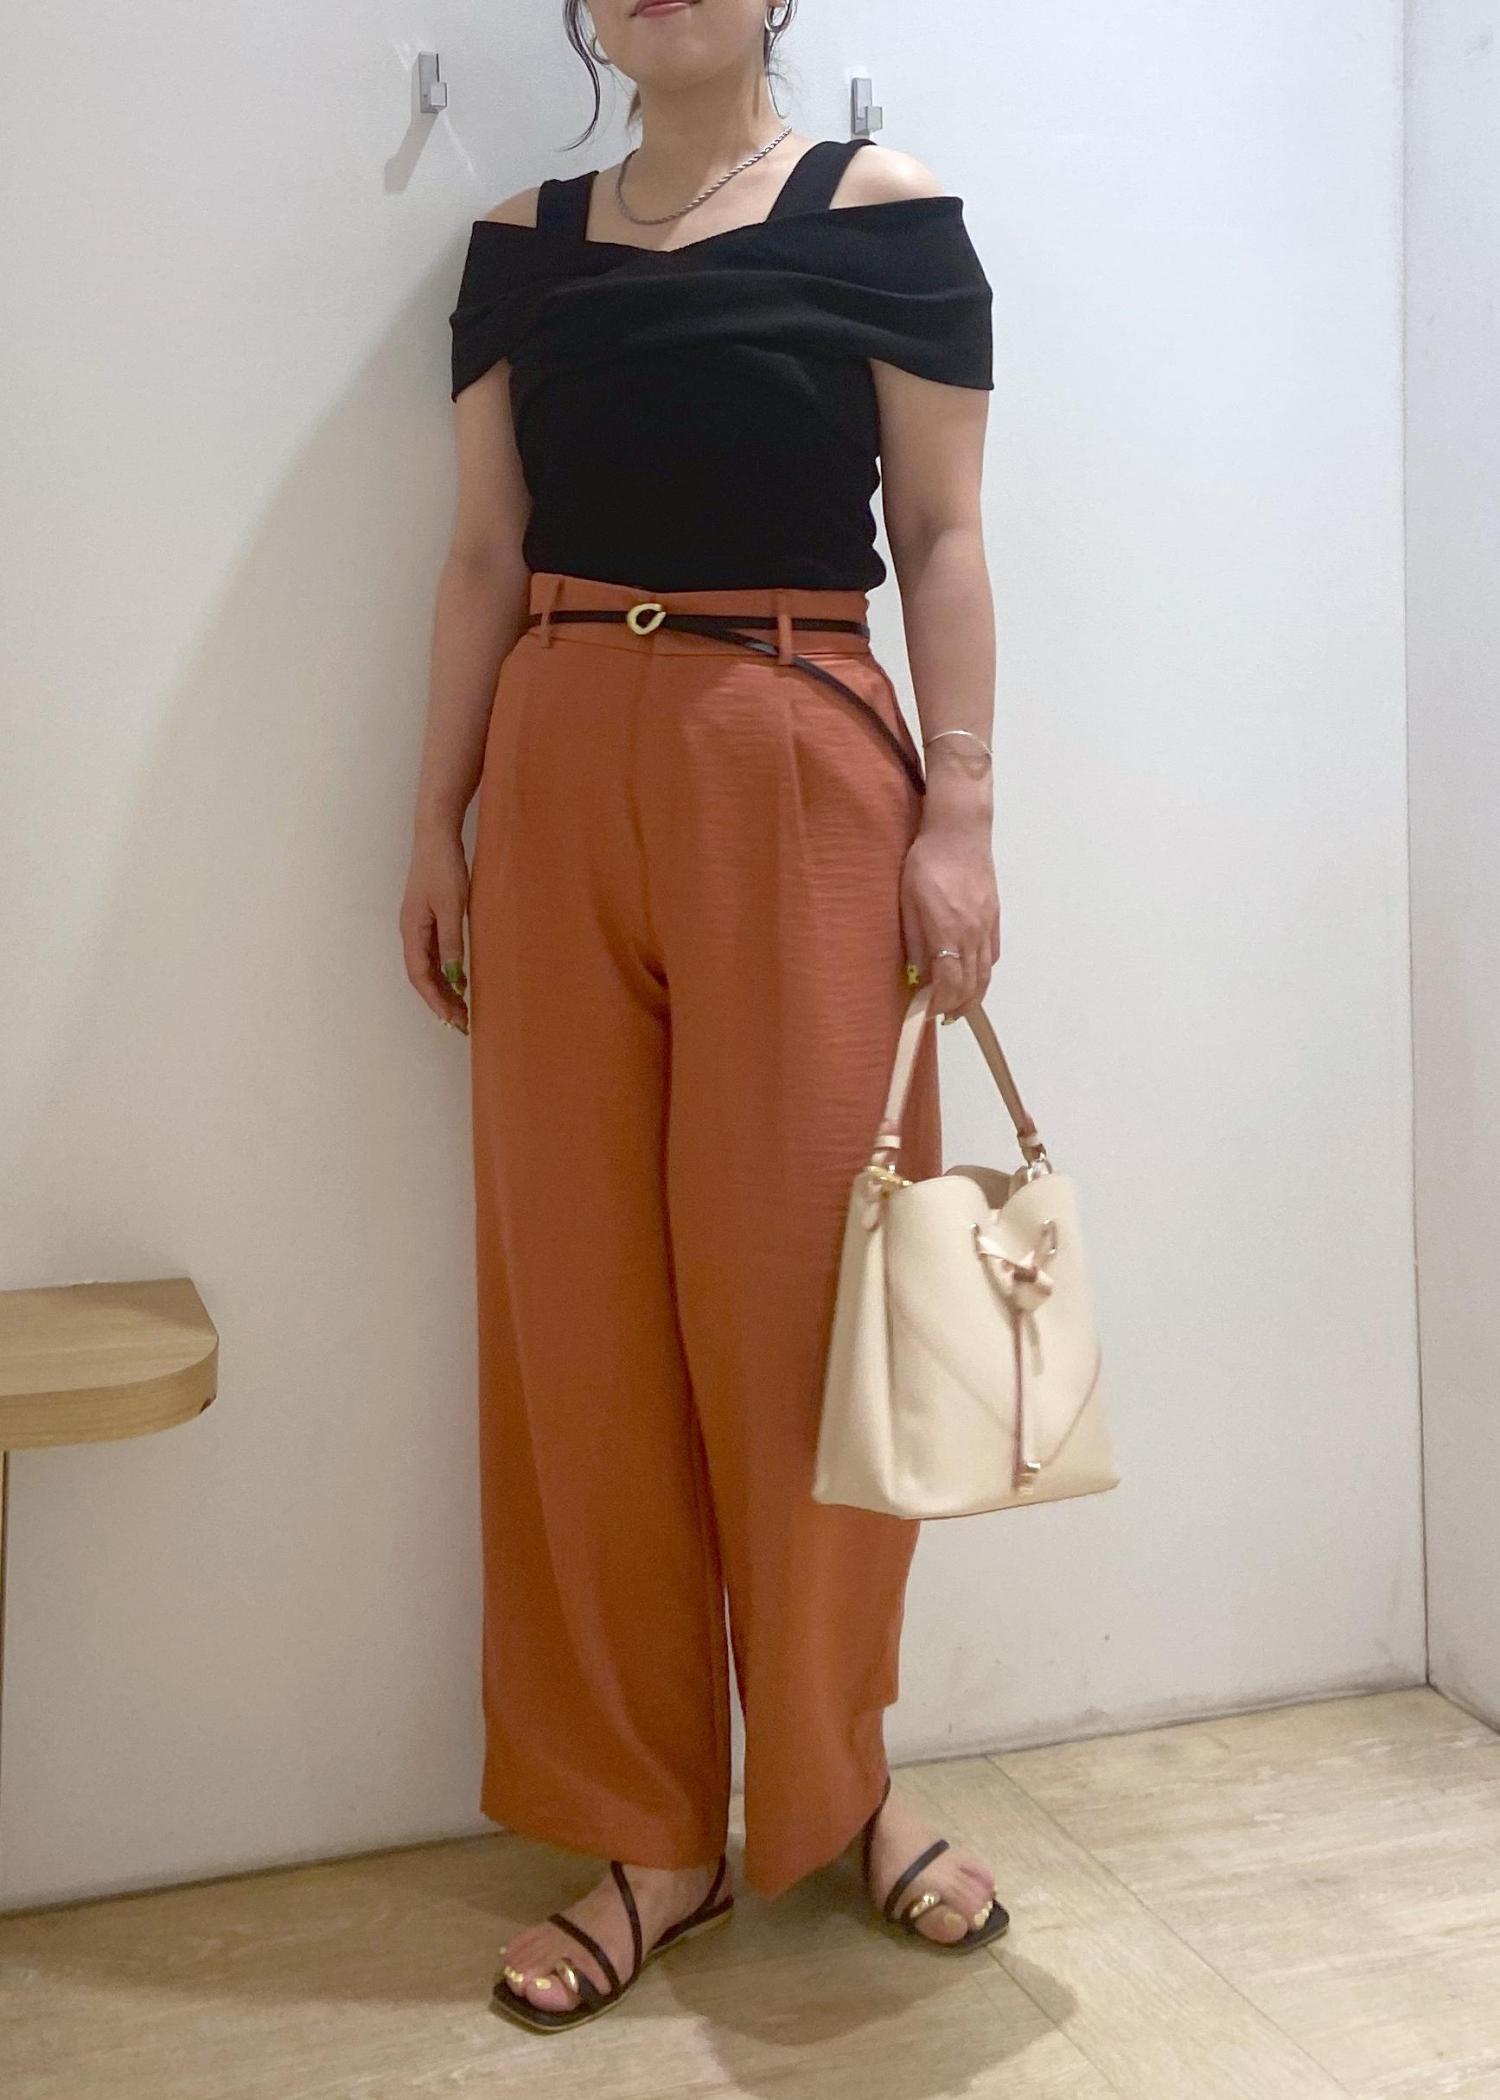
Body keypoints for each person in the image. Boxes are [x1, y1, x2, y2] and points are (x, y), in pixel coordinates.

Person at [401, 0, 1006, 2036]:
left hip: (800, 749)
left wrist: (961, 819)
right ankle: (647, 1830)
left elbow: (942, 535)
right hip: (561, 753)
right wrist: (434, 822)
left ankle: (840, 1787)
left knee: (815, 1311)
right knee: (575, 1314)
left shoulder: (885, 216)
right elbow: (482, 552)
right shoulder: (516, 247)